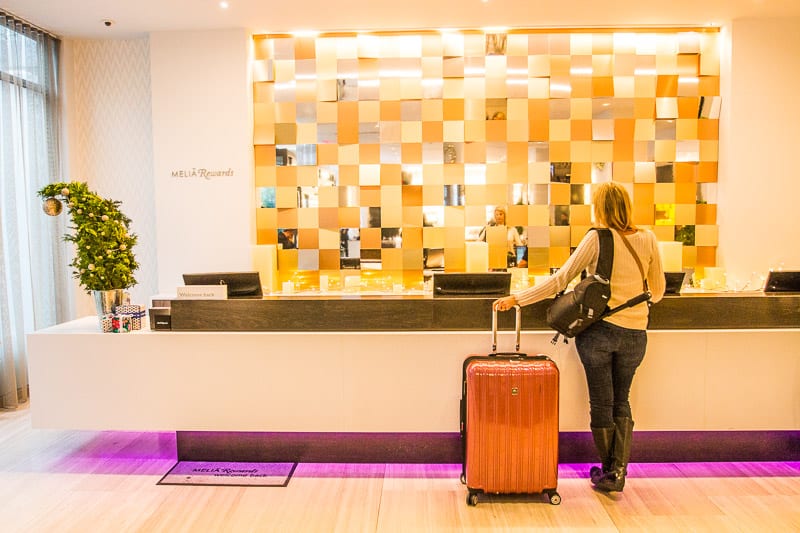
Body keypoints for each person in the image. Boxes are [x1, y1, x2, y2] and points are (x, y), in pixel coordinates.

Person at [493, 182, 666, 493]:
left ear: (599, 208)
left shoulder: (597, 238)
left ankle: (610, 472)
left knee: (602, 401)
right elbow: (660, 291)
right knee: (621, 399)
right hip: (636, 333)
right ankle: (619, 469)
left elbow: (561, 280)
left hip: (599, 333)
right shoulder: (648, 239)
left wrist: (518, 298)